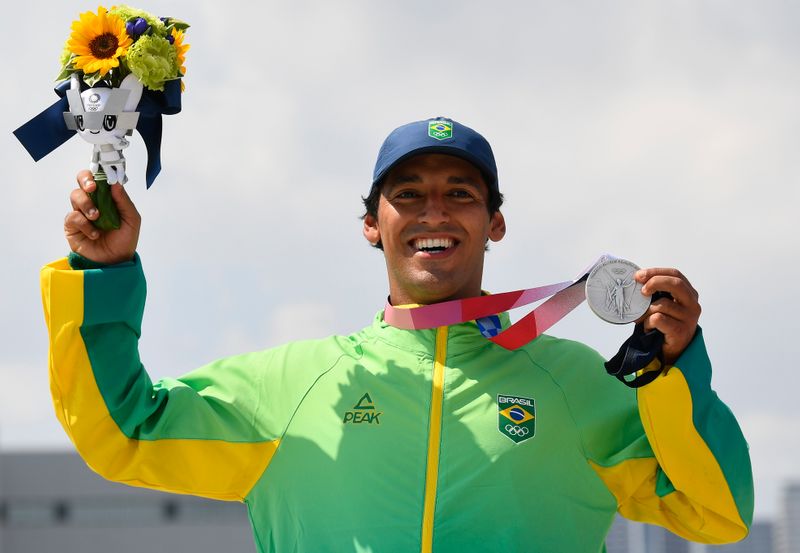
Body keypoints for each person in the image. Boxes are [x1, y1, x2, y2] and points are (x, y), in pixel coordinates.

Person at [42, 117, 753, 552]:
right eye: (407, 194)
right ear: (371, 224)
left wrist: (677, 367)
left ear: (493, 224)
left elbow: (716, 511)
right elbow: (124, 430)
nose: (433, 210)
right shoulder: (295, 384)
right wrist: (103, 275)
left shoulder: (576, 386)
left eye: (461, 193)